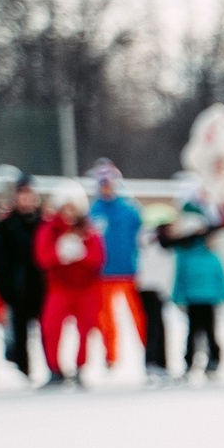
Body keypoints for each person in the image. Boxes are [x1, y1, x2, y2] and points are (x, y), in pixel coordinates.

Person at [35, 184, 106, 388]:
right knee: (51, 327)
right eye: (66, 207)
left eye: (73, 207)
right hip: (59, 287)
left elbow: (98, 258)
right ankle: (54, 369)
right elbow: (42, 257)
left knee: (86, 327)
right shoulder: (50, 229)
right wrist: (59, 255)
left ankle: (81, 367)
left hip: (86, 288)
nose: (69, 212)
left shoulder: (88, 230)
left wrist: (81, 254)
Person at [164, 182, 224, 380]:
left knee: (211, 331)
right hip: (193, 300)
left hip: (209, 299)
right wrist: (177, 296)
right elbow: (180, 278)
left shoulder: (212, 256)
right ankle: (189, 361)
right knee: (192, 332)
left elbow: (221, 277)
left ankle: (214, 360)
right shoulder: (185, 257)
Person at [88, 161, 153, 377]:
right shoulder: (94, 211)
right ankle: (111, 356)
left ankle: (148, 351)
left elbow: (144, 236)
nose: (107, 187)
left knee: (139, 316)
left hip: (129, 271)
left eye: (110, 183)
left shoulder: (130, 210)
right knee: (106, 318)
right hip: (104, 273)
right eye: (103, 184)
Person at [0, 172, 45, 381]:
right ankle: (24, 368)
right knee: (19, 331)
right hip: (18, 286)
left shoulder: (43, 222)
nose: (26, 199)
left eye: (29, 194)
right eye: (22, 194)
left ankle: (51, 367)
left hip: (42, 285)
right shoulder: (8, 224)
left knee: (47, 329)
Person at [132, 200, 177, 385]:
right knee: (155, 326)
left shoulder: (146, 237)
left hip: (152, 287)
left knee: (157, 325)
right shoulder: (155, 238)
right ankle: (154, 361)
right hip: (150, 287)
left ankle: (159, 362)